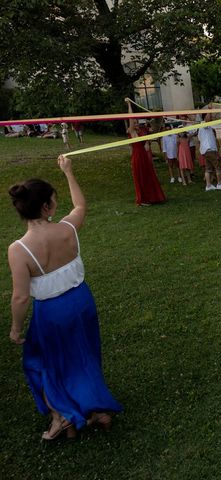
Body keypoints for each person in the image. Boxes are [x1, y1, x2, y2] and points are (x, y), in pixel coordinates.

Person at [7, 156, 123, 440]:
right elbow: (81, 206)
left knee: (46, 361)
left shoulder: (18, 249)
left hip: (51, 312)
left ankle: (64, 415)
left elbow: (21, 297)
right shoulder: (67, 229)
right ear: (46, 206)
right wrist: (69, 172)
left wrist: (15, 327)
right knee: (83, 355)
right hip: (82, 302)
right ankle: (95, 411)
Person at [125, 99, 166, 206]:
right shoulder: (132, 132)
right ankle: (143, 199)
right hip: (137, 156)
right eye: (134, 122)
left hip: (143, 155)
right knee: (141, 177)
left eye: (137, 122)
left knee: (148, 175)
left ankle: (153, 197)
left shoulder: (141, 131)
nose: (136, 123)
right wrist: (129, 104)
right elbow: (130, 117)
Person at [198, 107, 221, 191]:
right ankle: (219, 184)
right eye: (209, 115)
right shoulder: (203, 125)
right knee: (218, 165)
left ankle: (208, 186)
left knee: (208, 168)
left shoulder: (207, 127)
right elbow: (207, 119)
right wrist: (209, 111)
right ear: (205, 117)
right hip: (209, 150)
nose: (211, 117)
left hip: (207, 150)